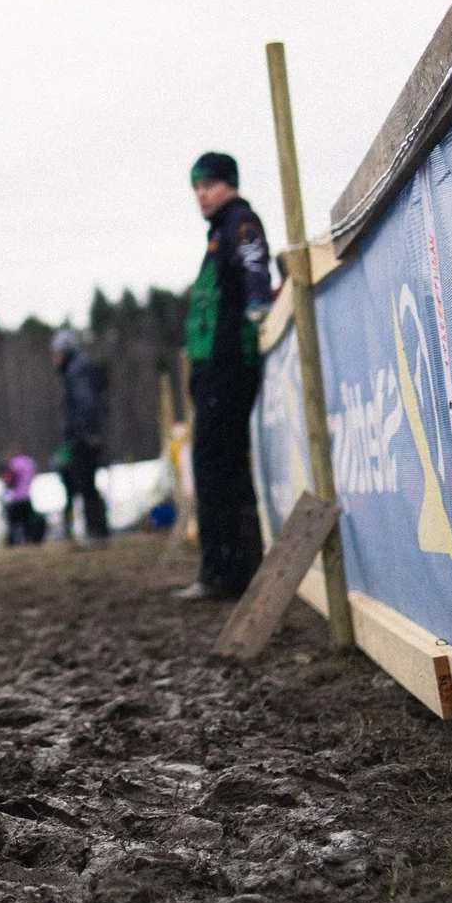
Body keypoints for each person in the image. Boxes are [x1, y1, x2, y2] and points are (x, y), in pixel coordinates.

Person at [179, 151, 274, 601]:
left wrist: (258, 304)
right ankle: (230, 569)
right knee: (220, 467)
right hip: (213, 369)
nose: (201, 194)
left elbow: (255, 264)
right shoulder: (219, 232)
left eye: (209, 185)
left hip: (228, 366)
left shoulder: (240, 223)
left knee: (217, 468)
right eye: (196, 187)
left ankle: (225, 572)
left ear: (229, 184)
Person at [52, 328, 111, 543]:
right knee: (86, 484)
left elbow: (85, 403)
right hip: (85, 435)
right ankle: (97, 530)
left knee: (86, 484)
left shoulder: (77, 371)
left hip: (83, 438)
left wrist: (86, 433)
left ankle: (97, 532)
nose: (54, 359)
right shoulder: (80, 368)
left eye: (57, 353)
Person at [1, 450, 43, 546]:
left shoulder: (13, 464)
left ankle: (13, 543)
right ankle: (29, 541)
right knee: (27, 523)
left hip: (15, 499)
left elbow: (8, 481)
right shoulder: (29, 462)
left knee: (13, 524)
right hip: (26, 498)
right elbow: (33, 475)